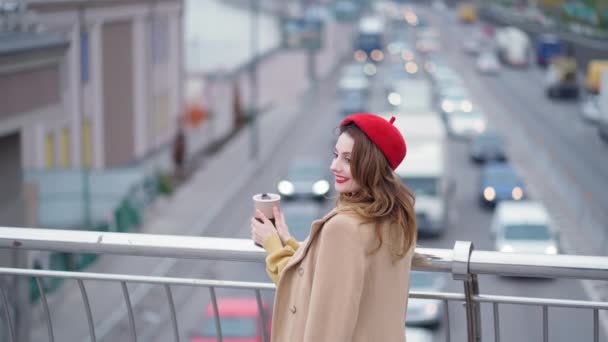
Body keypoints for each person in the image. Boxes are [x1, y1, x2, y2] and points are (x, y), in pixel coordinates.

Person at [251, 113, 419, 341]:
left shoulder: (343, 229)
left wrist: (272, 245)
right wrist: (287, 243)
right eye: (336, 155)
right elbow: (319, 285)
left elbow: (325, 325)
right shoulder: (396, 218)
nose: (334, 166)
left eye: (348, 159)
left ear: (372, 165)